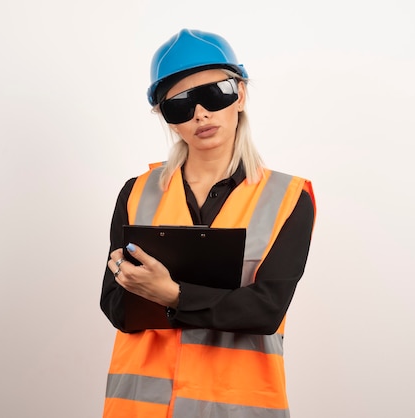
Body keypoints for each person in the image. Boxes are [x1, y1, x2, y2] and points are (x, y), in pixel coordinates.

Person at [100, 28, 316, 418]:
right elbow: (115, 305)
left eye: (215, 93)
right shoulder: (135, 193)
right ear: (167, 118)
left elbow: (266, 310)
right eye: (180, 104)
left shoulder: (289, 199)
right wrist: (216, 301)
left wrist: (171, 295)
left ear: (241, 95)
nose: (200, 113)